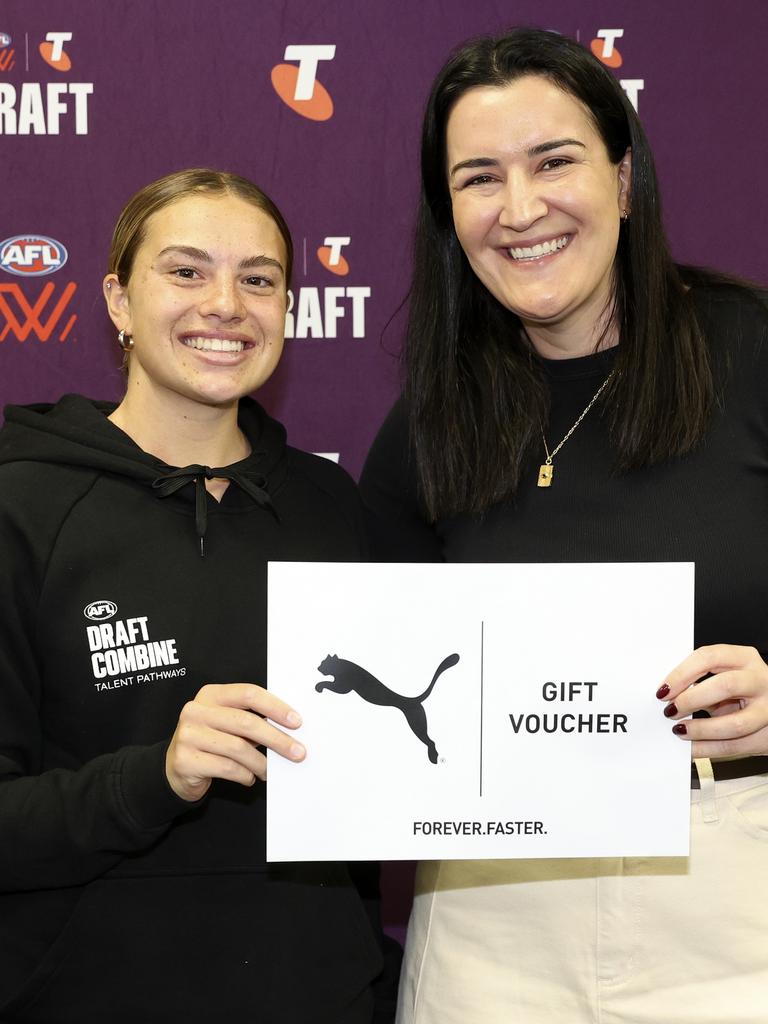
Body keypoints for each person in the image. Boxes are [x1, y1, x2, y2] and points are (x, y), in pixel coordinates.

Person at [359, 28, 768, 1024]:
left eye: (555, 161)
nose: (522, 207)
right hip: (491, 923)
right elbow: (365, 681)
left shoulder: (751, 351)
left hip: (733, 886)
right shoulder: (429, 420)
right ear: (450, 215)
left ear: (625, 180)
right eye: (479, 177)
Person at [0, 168, 395, 1024]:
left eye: (258, 279)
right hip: (82, 997)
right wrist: (158, 777)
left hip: (317, 996)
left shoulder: (334, 509)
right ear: (117, 300)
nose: (225, 304)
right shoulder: (21, 505)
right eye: (185, 271)